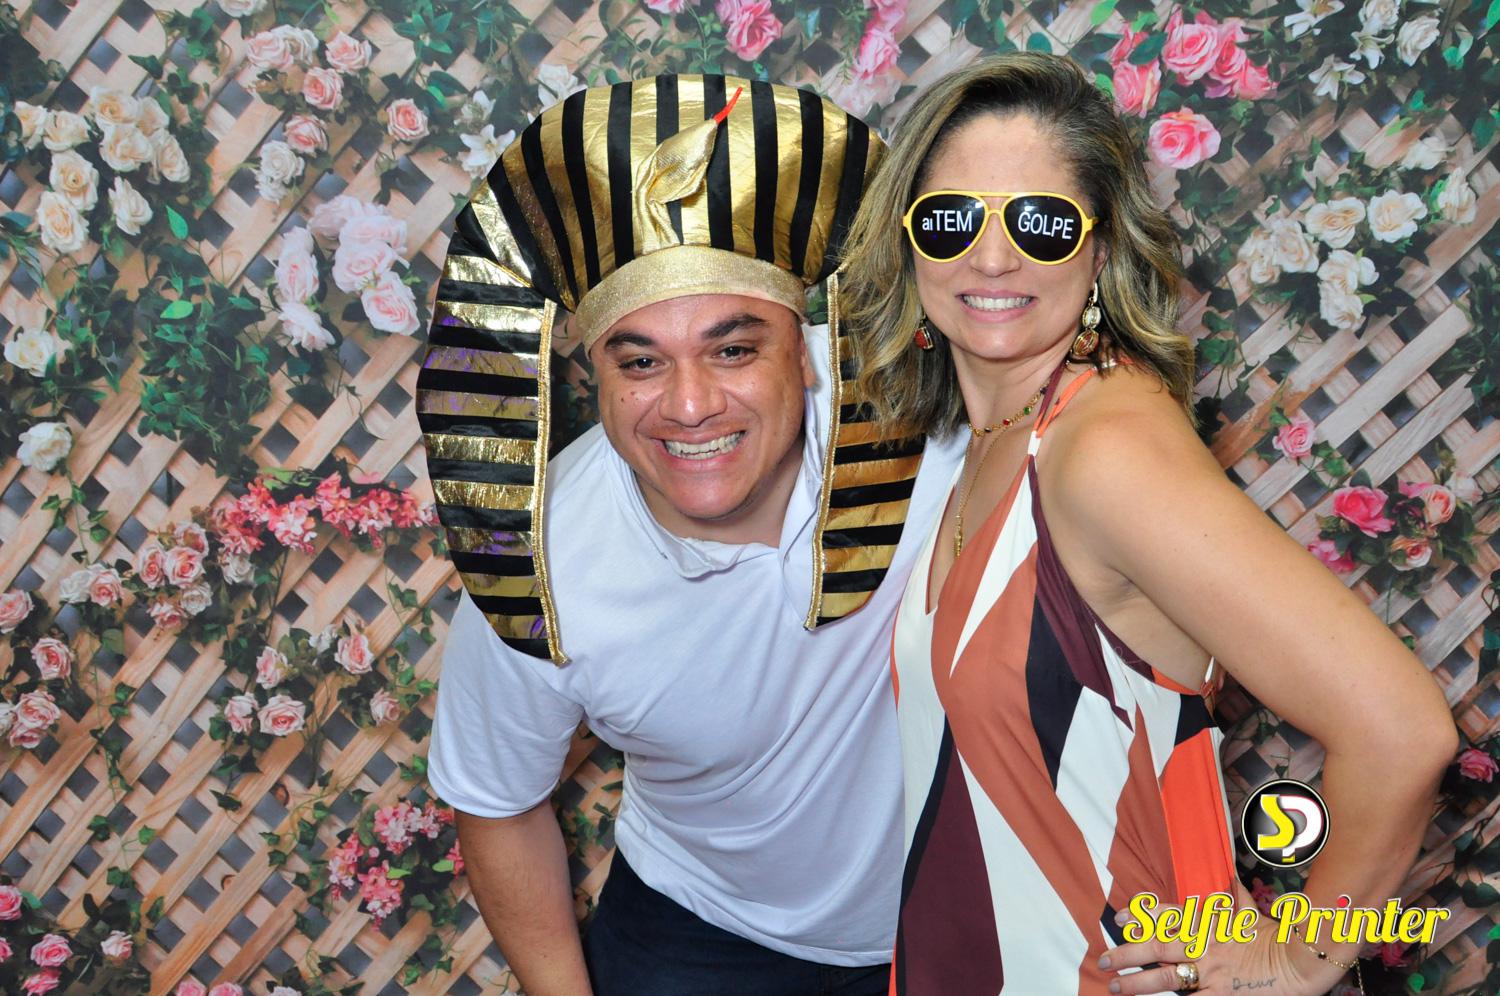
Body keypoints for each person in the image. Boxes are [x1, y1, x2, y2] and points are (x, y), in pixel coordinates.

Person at [838, 52, 1457, 995]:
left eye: (1042, 224)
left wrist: (1294, 961)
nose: (991, 257)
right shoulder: (1001, 434)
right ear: (910, 241)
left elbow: (1401, 730)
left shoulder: (1106, 449)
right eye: (952, 218)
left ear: (1099, 253)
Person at [415, 74, 961, 995]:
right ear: (593, 377)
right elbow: (496, 804)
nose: (692, 404)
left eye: (733, 349)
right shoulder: (537, 568)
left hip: (969, 923)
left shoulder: (934, 420)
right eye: (640, 362)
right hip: (703, 933)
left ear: (808, 352)